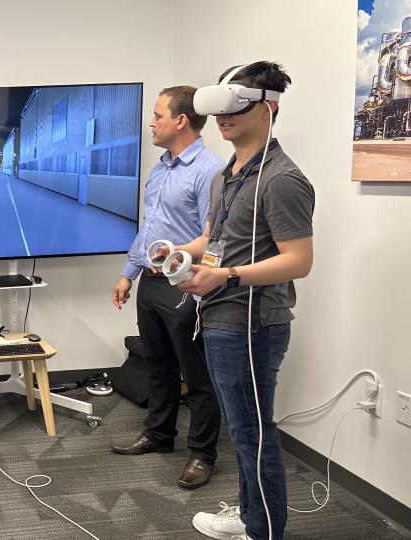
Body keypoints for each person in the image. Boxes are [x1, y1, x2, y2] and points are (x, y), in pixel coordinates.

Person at [169, 62, 314, 540]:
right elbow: (213, 237)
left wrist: (224, 276)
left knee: (253, 432)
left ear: (268, 108)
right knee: (243, 429)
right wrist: (174, 254)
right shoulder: (224, 175)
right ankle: (254, 517)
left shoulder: (282, 179)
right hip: (220, 318)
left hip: (254, 323)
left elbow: (298, 260)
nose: (223, 120)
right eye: (220, 111)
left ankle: (264, 530)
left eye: (237, 107)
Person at [110, 86, 224, 490]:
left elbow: (215, 238)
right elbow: (149, 230)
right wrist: (129, 271)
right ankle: (159, 435)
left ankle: (202, 454)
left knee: (197, 375)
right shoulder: (160, 168)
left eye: (158, 115)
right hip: (151, 284)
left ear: (180, 121)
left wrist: (177, 258)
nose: (151, 123)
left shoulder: (210, 170)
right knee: (157, 364)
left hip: (185, 285)